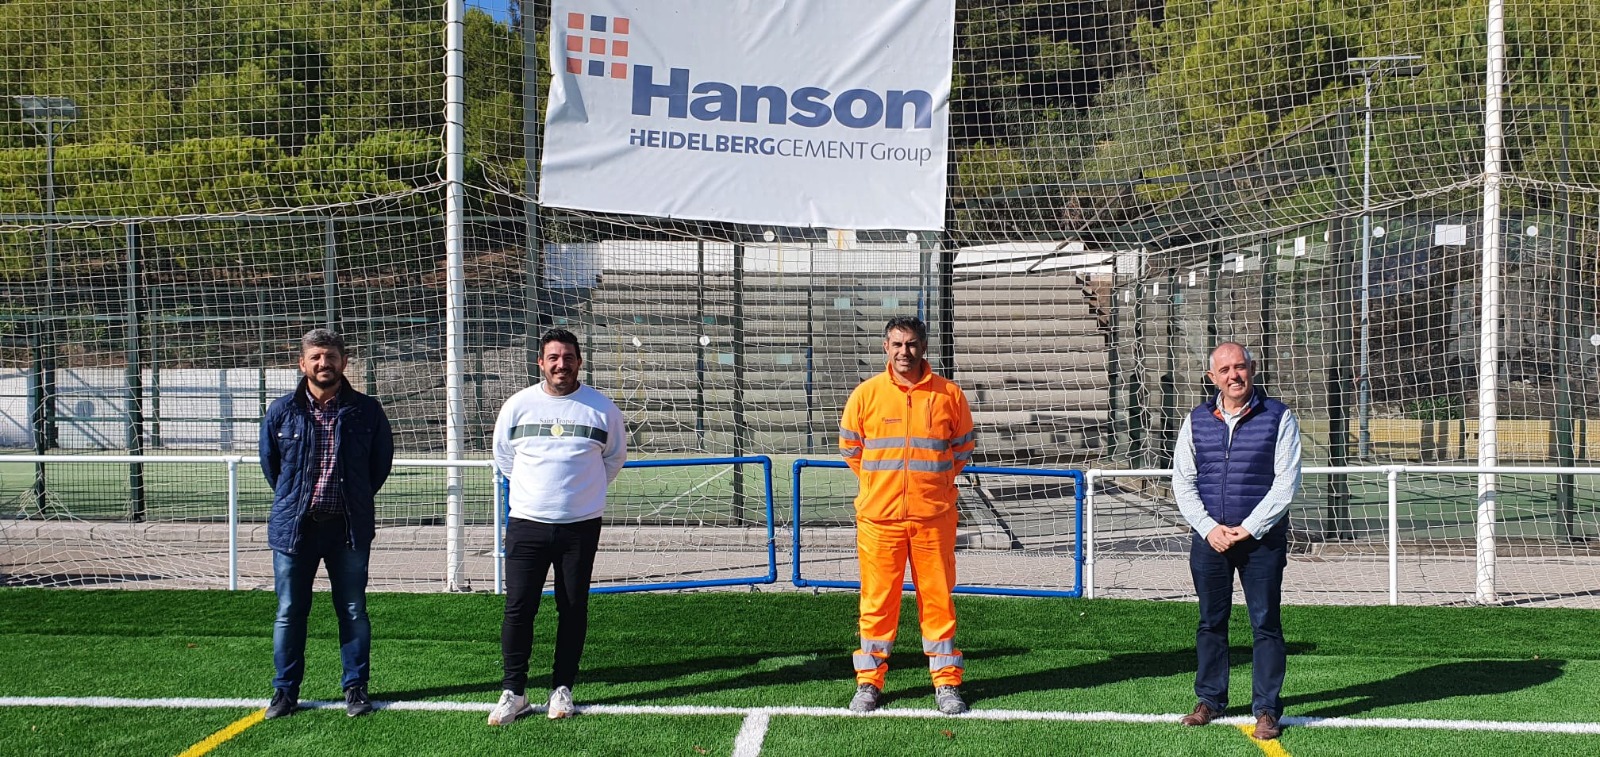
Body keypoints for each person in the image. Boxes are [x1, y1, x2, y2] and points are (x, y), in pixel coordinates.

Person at [487, 328, 627, 726]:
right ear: (541, 363)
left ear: (579, 362)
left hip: (580, 527)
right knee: (518, 609)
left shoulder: (601, 409)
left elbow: (613, 459)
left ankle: (562, 688)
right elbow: (504, 457)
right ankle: (514, 691)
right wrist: (539, 496)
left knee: (572, 607)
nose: (560, 364)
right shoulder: (518, 405)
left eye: (568, 357)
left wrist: (577, 496)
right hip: (527, 525)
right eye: (553, 358)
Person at [838, 316, 976, 715]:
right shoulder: (866, 395)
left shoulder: (949, 395)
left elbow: (962, 448)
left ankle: (947, 683)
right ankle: (869, 683)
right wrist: (881, 486)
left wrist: (933, 485)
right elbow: (851, 448)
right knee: (877, 603)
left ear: (924, 347)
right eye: (897, 344)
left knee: (938, 602)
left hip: (933, 518)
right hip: (879, 520)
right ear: (885, 347)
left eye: (912, 344)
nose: (904, 352)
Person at [1171, 341, 1302, 740]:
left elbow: (1286, 482)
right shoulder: (1195, 420)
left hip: (1261, 541)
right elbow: (1183, 480)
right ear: (1212, 377)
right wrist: (1209, 527)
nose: (1234, 376)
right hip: (1210, 540)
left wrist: (1249, 527)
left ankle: (1266, 709)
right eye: (1225, 370)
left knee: (1266, 624)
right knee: (1211, 622)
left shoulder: (1279, 417)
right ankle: (1209, 700)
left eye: (1240, 367)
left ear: (1253, 368)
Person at [260, 328, 394, 719]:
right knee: (289, 611)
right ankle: (285, 692)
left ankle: (355, 688)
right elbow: (273, 468)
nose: (324, 363)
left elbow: (378, 467)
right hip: (295, 529)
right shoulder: (281, 410)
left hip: (347, 528)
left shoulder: (367, 410)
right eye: (316, 357)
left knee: (352, 609)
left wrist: (354, 498)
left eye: (331, 356)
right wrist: (297, 501)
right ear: (302, 364)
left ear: (344, 362)